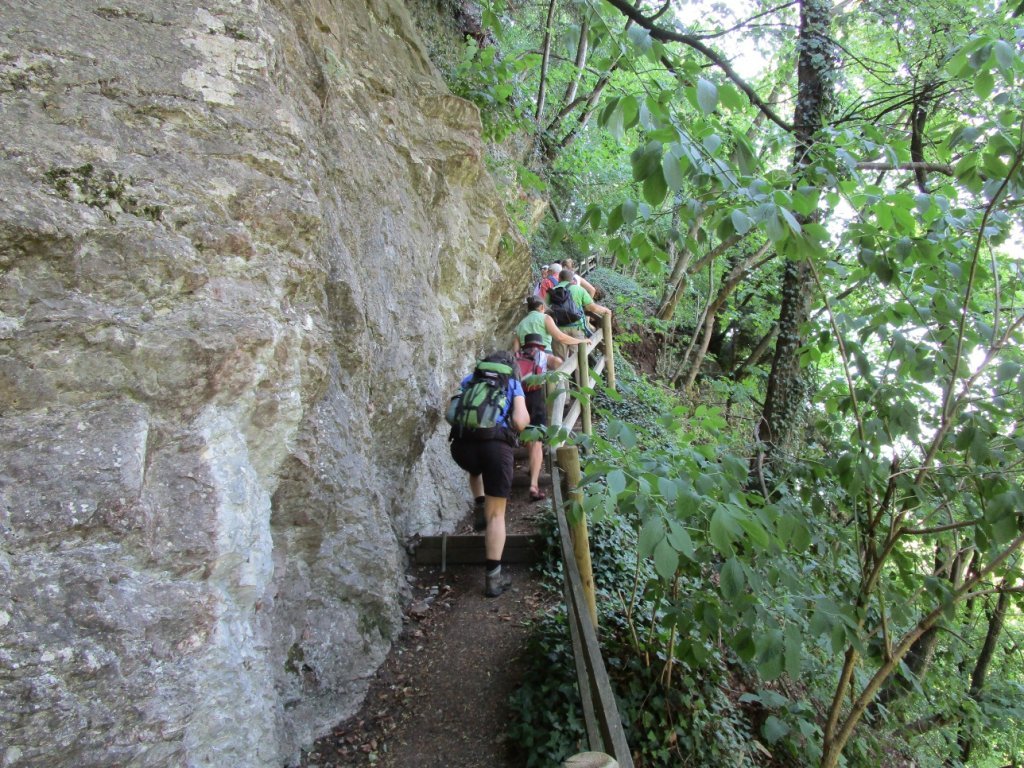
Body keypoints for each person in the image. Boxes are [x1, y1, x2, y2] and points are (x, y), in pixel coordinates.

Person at [449, 351, 530, 597]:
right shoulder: (512, 384)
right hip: (496, 448)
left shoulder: (469, 380)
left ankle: (479, 503)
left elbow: (454, 413)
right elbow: (519, 422)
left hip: (462, 447)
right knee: (497, 515)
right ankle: (493, 577)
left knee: (476, 468)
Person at [515, 333, 551, 502]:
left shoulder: (516, 357)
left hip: (519, 398)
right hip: (536, 398)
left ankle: (532, 468)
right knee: (536, 440)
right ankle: (534, 484)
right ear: (540, 345)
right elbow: (559, 364)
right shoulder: (542, 355)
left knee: (528, 437)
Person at [550, 268, 611, 362]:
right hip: (577, 328)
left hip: (558, 329)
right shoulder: (579, 289)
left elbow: (545, 309)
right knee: (578, 360)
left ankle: (562, 377)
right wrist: (606, 310)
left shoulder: (552, 291)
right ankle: (578, 376)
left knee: (559, 362)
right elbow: (592, 308)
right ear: (571, 279)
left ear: (559, 279)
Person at [512, 295, 584, 369]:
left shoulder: (521, 324)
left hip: (526, 359)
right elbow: (560, 337)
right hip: (544, 355)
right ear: (542, 307)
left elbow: (516, 349)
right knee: (558, 363)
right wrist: (580, 341)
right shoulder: (545, 317)